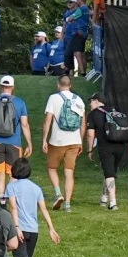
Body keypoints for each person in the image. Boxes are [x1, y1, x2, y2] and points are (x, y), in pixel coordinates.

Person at [3, 155, 58, 257]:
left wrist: (17, 227)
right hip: (33, 231)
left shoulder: (12, 187)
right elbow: (44, 209)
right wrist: (51, 228)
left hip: (19, 229)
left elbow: (13, 207)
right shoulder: (36, 188)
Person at [41, 72, 88, 210]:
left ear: (58, 85)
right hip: (74, 140)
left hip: (57, 140)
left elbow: (48, 120)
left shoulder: (53, 98)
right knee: (69, 172)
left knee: (51, 168)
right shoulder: (79, 100)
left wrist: (44, 139)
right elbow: (83, 124)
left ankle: (58, 194)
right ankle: (67, 204)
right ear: (70, 85)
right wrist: (80, 141)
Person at [0, 75, 31, 198]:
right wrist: (29, 143)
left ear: (0, 86)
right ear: (12, 87)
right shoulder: (19, 102)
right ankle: (11, 198)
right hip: (14, 142)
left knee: (0, 173)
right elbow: (24, 125)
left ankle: (2, 199)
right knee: (13, 173)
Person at [87, 91, 128, 210]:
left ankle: (113, 202)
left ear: (97, 101)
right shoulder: (115, 112)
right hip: (120, 146)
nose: (90, 104)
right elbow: (125, 129)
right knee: (110, 172)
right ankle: (104, 197)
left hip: (105, 147)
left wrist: (90, 149)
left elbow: (90, 134)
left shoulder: (93, 114)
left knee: (109, 174)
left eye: (91, 101)